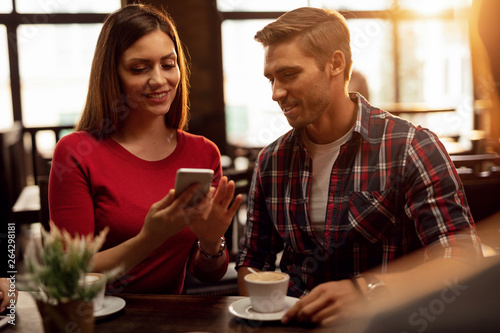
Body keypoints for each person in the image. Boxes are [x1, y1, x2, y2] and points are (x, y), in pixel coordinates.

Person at [235, 7, 482, 326]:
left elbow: (461, 258)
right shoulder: (271, 161)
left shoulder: (412, 146)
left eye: (289, 75)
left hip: (389, 322)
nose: (275, 93)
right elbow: (252, 263)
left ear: (335, 64)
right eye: (271, 78)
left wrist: (367, 290)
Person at [49, 4, 242, 295]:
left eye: (168, 64)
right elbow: (70, 271)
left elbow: (207, 275)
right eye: (140, 68)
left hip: (166, 319)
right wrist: (149, 238)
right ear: (111, 74)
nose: (159, 80)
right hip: (97, 319)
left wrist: (211, 242)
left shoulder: (203, 153)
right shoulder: (76, 151)